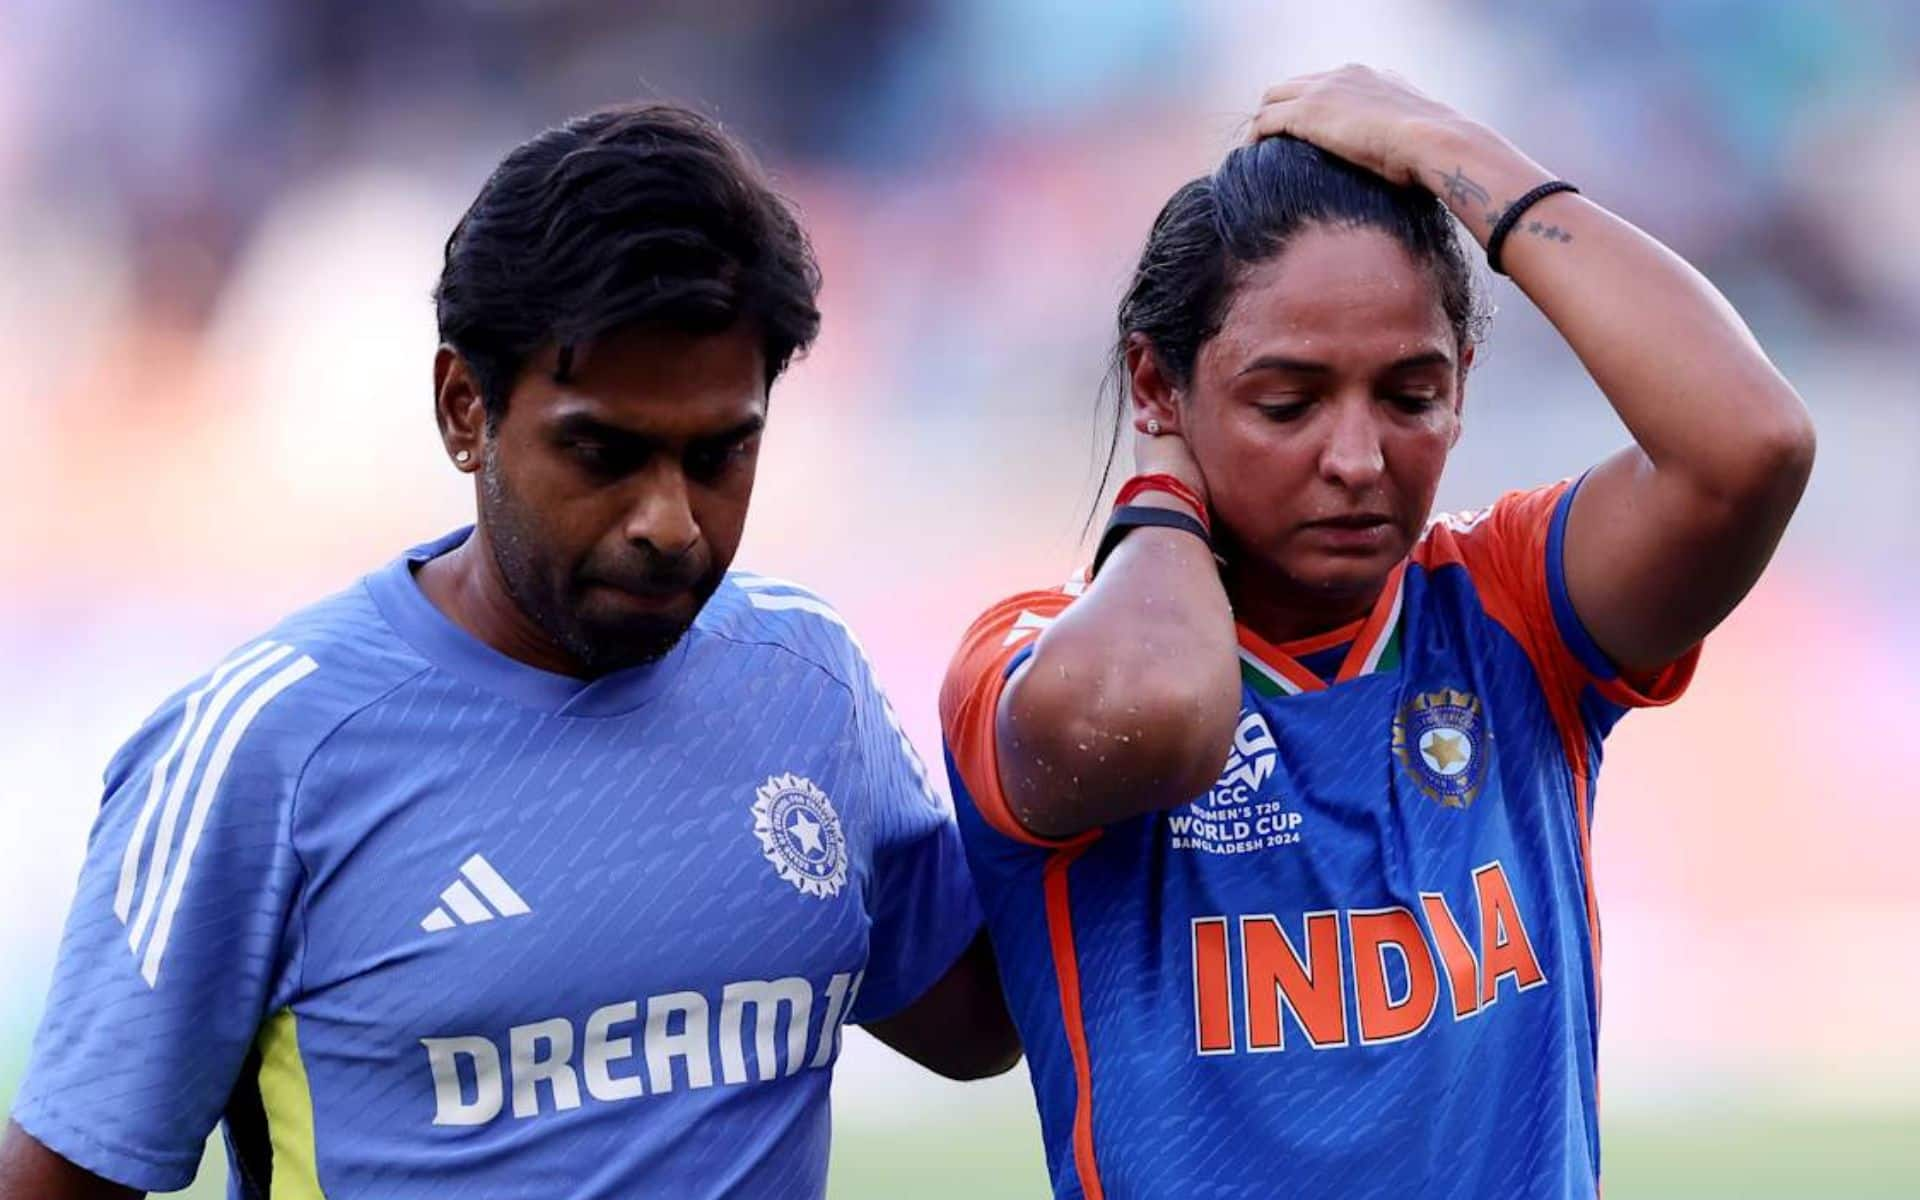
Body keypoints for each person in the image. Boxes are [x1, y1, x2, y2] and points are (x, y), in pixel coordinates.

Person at [1, 102, 1017, 1200]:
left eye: (721, 451)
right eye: (604, 450)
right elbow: (64, 1179)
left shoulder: (807, 685)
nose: (669, 520)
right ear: (463, 410)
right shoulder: (267, 752)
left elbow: (975, 1028)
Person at [941, 67, 1813, 1199]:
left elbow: (1753, 446)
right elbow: (1156, 709)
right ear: (1159, 382)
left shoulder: (1511, 607)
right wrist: (1159, 486)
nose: (1357, 461)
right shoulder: (1035, 662)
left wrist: (1454, 149)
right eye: (1288, 402)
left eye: (1411, 395)